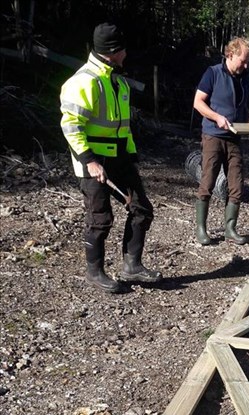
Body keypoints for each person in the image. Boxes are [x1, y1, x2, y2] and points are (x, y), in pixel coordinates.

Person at [60, 22, 161, 292]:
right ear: (113, 51)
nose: (127, 54)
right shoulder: (84, 82)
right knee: (100, 219)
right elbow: (70, 125)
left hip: (119, 159)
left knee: (141, 209)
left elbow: (122, 126)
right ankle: (94, 272)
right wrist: (89, 160)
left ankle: (132, 266)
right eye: (123, 49)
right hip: (93, 162)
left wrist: (131, 153)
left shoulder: (117, 81)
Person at [193, 37, 249, 246]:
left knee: (236, 183)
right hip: (213, 135)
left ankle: (230, 228)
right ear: (230, 54)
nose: (245, 65)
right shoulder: (212, 73)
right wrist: (216, 117)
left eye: (248, 62)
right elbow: (198, 102)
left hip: (235, 137)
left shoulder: (244, 77)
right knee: (208, 180)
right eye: (243, 61)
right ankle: (201, 229)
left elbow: (242, 105)